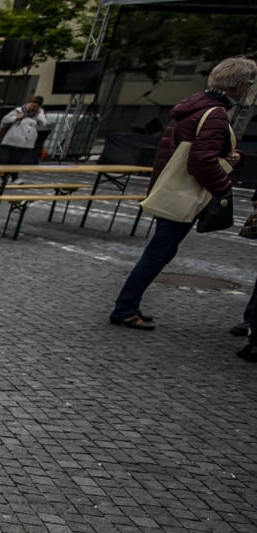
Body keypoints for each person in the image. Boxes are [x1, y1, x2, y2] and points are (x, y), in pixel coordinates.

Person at [109, 57, 254, 331]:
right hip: (183, 193)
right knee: (159, 252)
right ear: (240, 85)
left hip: (172, 189)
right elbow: (201, 160)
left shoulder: (194, 107)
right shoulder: (214, 114)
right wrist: (222, 185)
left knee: (160, 250)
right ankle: (125, 308)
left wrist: (231, 157)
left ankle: (128, 305)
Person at [0, 95, 47, 169]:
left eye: (35, 106)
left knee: (17, 160)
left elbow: (43, 124)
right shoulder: (19, 110)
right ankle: (14, 177)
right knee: (14, 159)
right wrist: (17, 117)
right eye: (32, 105)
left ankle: (7, 175)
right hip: (14, 140)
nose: (32, 108)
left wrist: (38, 115)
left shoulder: (39, 114)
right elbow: (5, 120)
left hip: (27, 142)